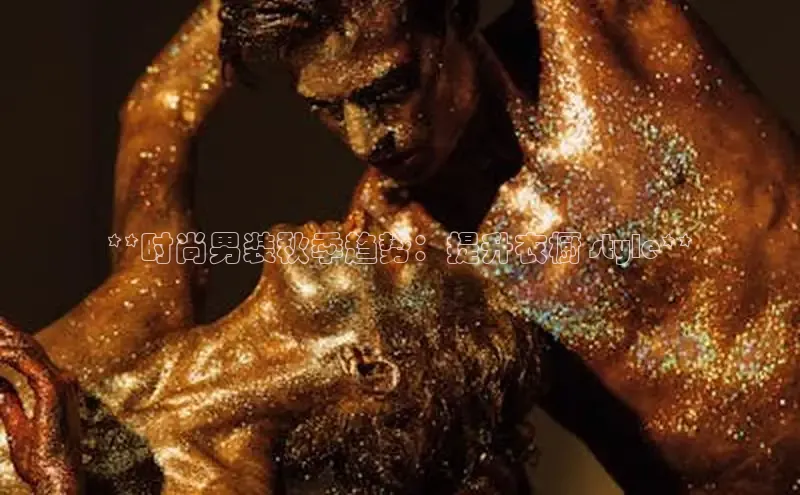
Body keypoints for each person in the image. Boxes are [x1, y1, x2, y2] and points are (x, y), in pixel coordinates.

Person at [219, 0, 800, 493]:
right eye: (326, 109)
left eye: (389, 88)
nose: (365, 139)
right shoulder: (399, 255)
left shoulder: (603, 28)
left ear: (454, 15)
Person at [0, 4, 541, 494]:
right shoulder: (148, 301)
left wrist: (57, 485)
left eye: (391, 258)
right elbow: (163, 108)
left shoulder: (224, 482)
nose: (362, 217)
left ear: (371, 367)